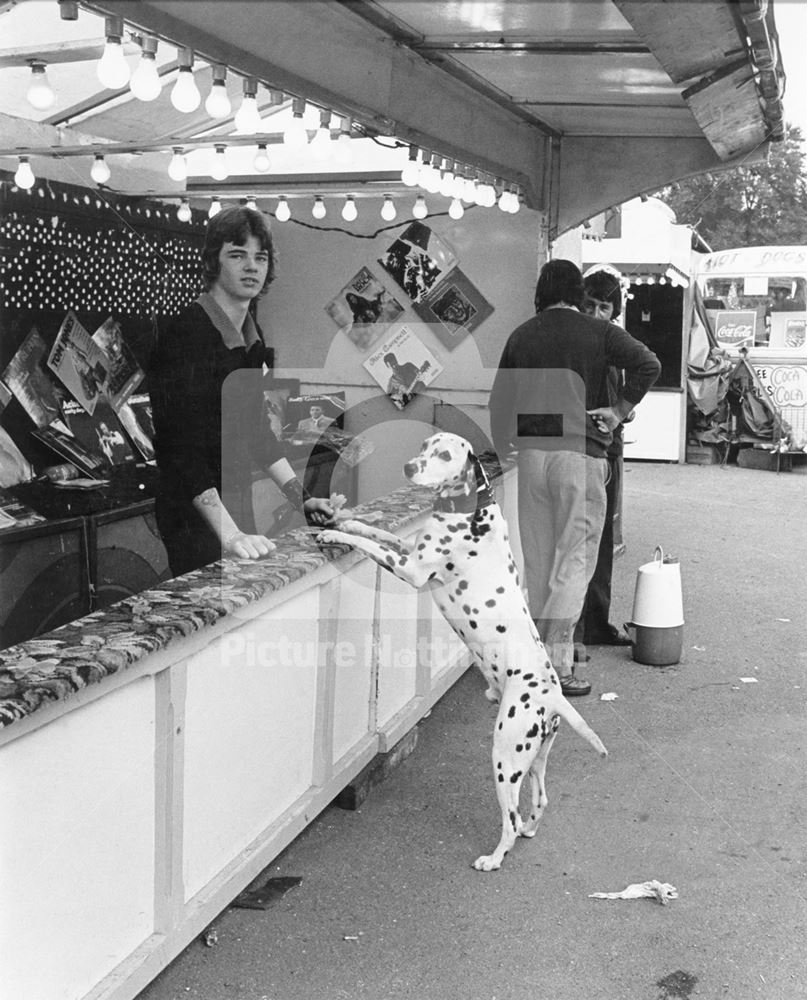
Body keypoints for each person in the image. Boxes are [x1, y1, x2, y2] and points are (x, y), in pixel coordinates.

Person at [489, 259, 660, 696]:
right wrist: (619, 410)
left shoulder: (520, 336)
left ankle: (532, 661)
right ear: (576, 293)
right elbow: (648, 364)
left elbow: (499, 403)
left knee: (542, 563)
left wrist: (509, 441)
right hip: (580, 459)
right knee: (573, 564)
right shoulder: (597, 332)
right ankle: (557, 668)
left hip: (531, 462)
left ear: (541, 293)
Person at [149, 206, 334, 577]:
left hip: (234, 502)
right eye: (237, 255)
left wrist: (303, 498)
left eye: (259, 257)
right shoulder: (185, 334)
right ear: (213, 263)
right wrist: (229, 534)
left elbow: (256, 431)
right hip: (192, 511)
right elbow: (179, 448)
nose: (251, 266)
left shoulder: (251, 337)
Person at [573, 266, 634, 659]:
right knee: (580, 539)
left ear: (614, 310)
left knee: (604, 538)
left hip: (611, 444)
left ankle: (596, 622)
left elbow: (642, 370)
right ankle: (575, 630)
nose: (596, 312)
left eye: (603, 306)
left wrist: (620, 409)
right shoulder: (576, 339)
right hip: (584, 446)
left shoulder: (615, 340)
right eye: (590, 304)